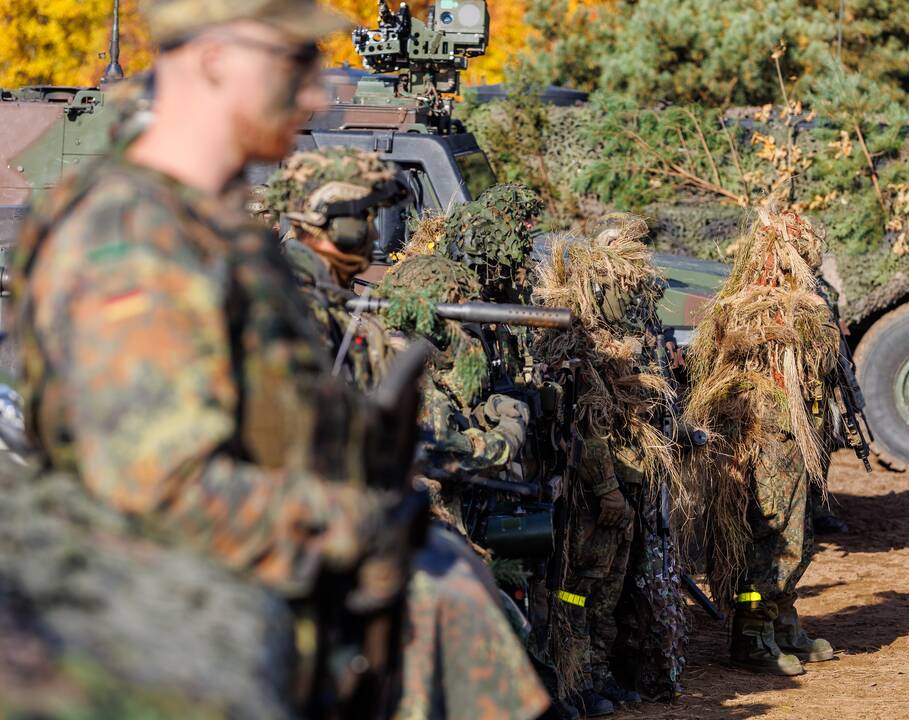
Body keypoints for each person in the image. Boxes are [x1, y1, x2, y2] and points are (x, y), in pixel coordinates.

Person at [13, 2, 420, 713]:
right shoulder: (132, 236)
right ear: (213, 59)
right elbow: (158, 491)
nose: (316, 93)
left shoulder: (209, 226)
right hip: (176, 645)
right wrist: (355, 524)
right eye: (294, 61)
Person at [262, 148, 550, 720]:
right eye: (361, 214)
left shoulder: (334, 306)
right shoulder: (280, 307)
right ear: (323, 220)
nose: (373, 230)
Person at [530, 216, 686, 716]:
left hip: (629, 479)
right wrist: (606, 490)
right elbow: (587, 428)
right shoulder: (577, 342)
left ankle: (598, 675)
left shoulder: (630, 342)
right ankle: (575, 681)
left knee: (608, 589)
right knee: (579, 589)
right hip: (596, 489)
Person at [682, 207, 840, 677]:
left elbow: (824, 366)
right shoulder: (748, 306)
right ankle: (752, 634)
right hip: (768, 440)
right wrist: (808, 318)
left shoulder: (803, 302)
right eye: (803, 252)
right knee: (771, 537)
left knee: (801, 537)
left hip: (798, 439)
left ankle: (782, 619)